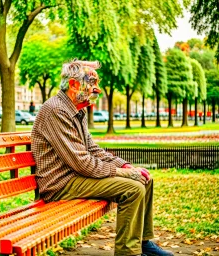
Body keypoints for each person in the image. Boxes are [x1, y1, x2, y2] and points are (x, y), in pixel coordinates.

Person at [31, 59, 174, 256]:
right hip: (60, 184)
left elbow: (93, 149)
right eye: (93, 83)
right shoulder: (56, 110)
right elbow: (82, 162)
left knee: (145, 180)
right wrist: (124, 174)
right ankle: (128, 253)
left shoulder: (75, 110)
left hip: (75, 177)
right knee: (133, 188)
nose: (97, 89)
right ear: (73, 84)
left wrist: (125, 165)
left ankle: (143, 241)